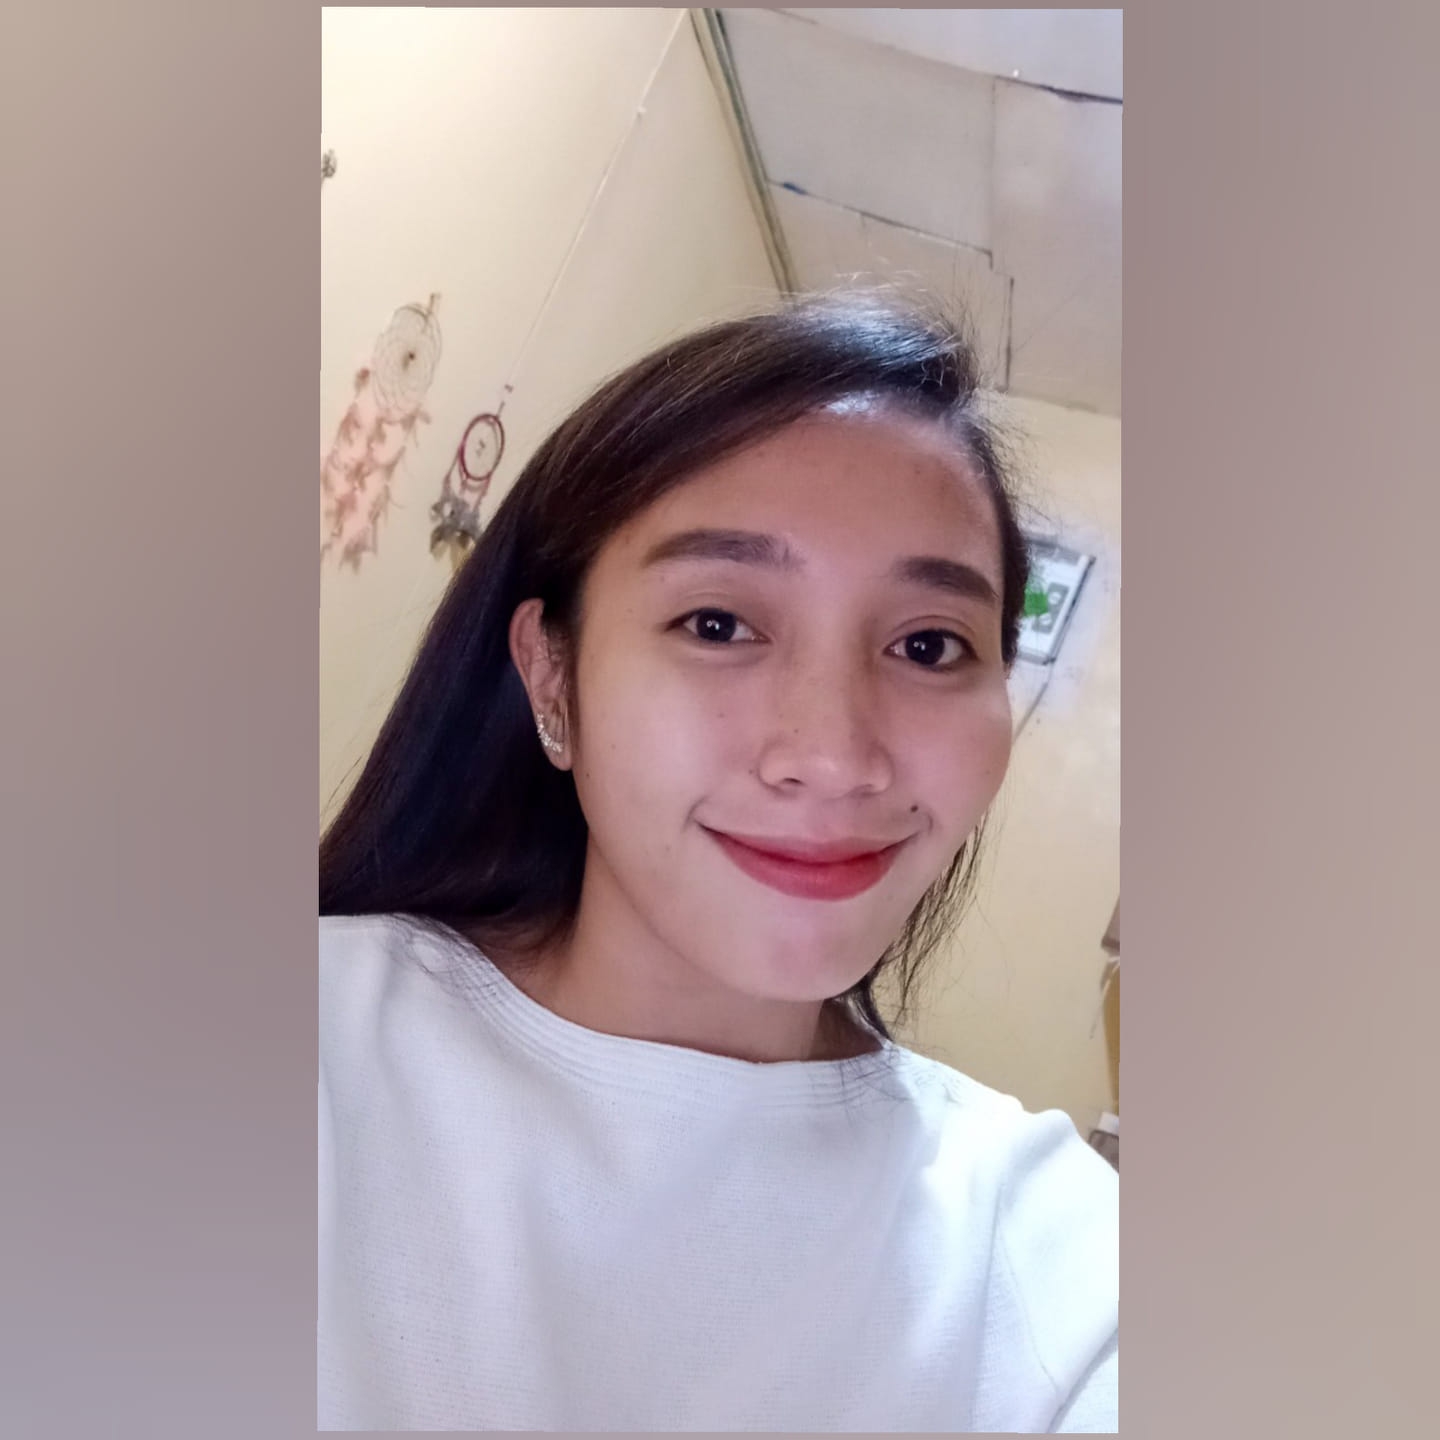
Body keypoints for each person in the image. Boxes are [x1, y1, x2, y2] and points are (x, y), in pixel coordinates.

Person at [318, 296, 1119, 1432]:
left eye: (928, 644)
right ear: (553, 679)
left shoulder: (1047, 1254)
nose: (832, 756)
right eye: (718, 625)